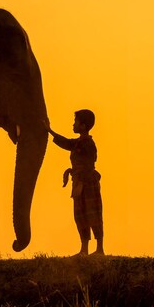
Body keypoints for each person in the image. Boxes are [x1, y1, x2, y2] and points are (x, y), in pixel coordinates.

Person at [48, 109, 104, 256]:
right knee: (80, 215)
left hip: (88, 183)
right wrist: (49, 131)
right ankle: (84, 249)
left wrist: (77, 172)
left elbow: (88, 160)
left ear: (83, 126)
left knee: (93, 214)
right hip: (79, 183)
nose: (73, 125)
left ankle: (99, 249)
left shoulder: (88, 144)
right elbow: (67, 143)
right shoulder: (79, 142)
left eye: (75, 122)